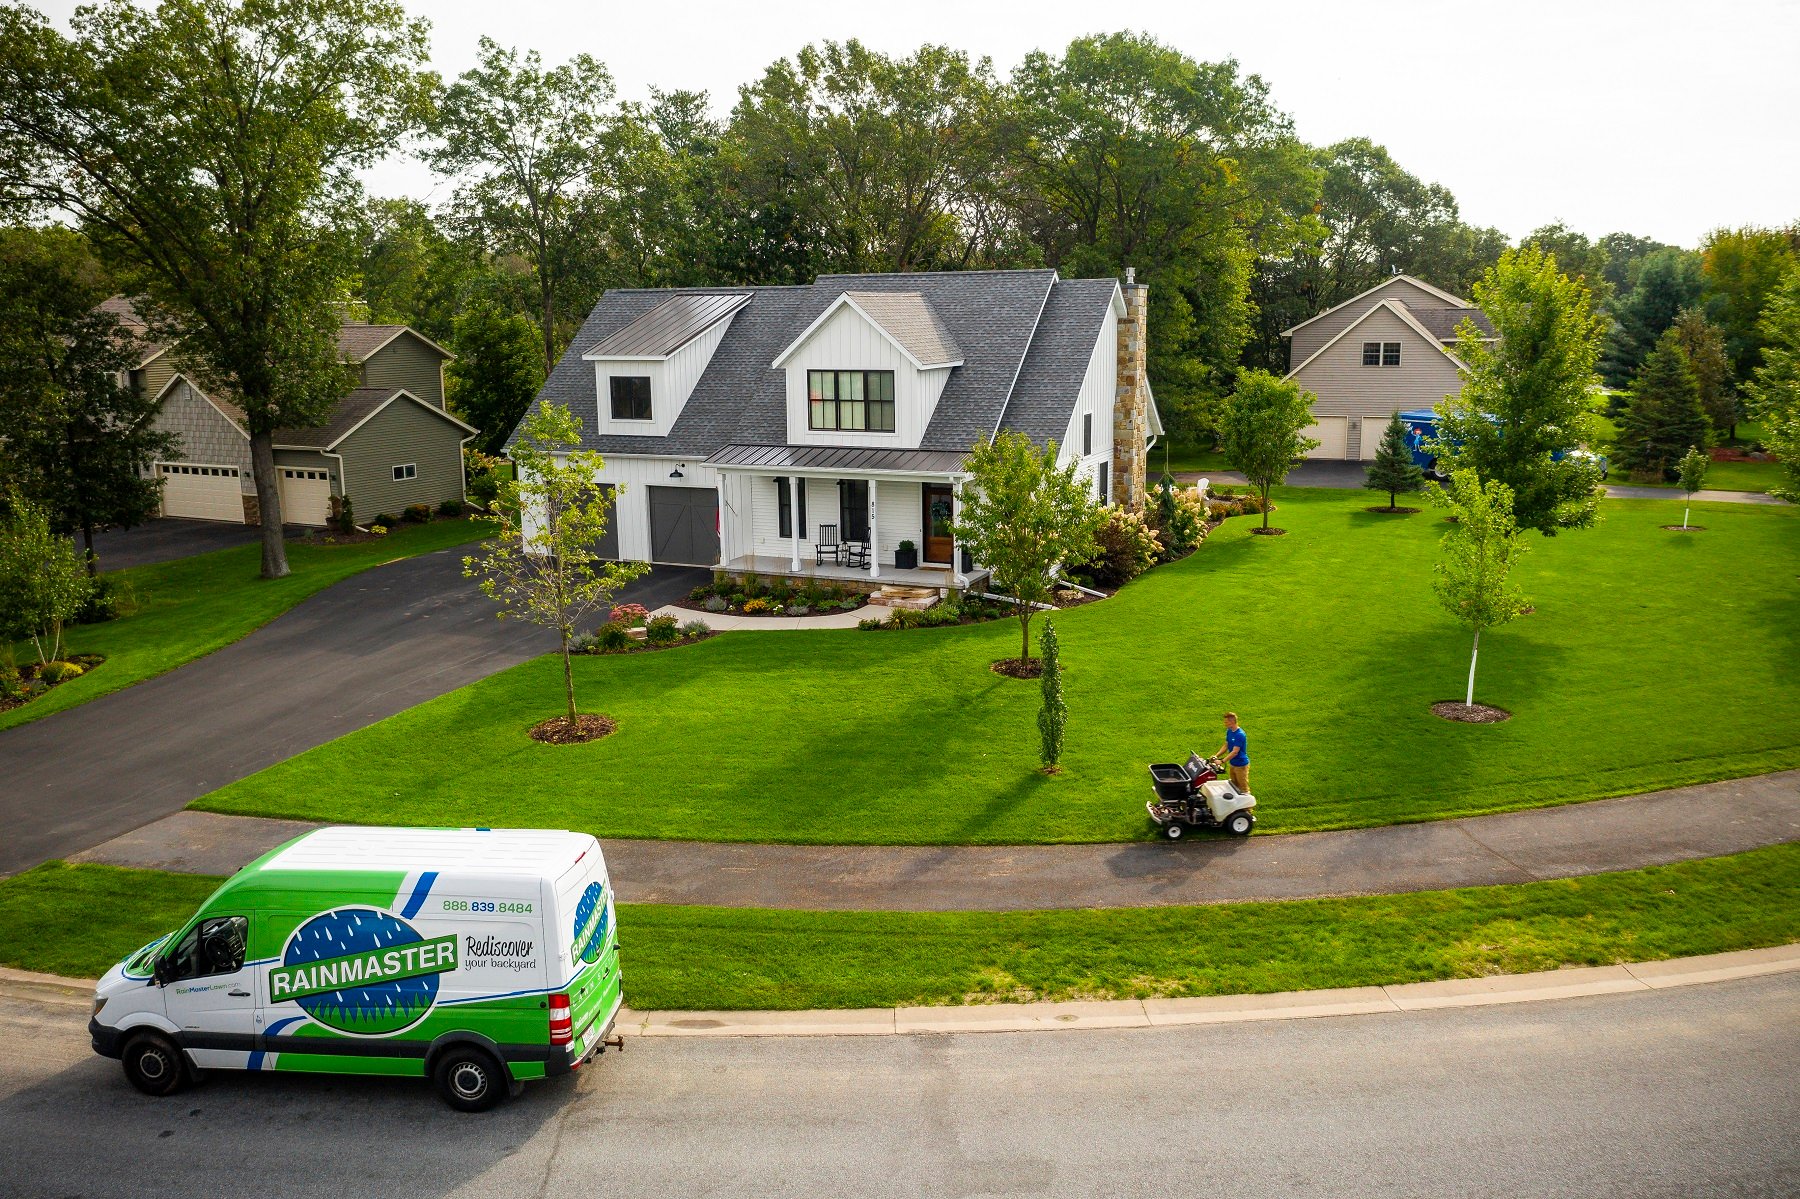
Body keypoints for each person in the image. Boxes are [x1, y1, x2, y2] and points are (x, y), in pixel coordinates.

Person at [1213, 711, 1250, 794]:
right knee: (1233, 786)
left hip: (1241, 765)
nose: (1224, 724)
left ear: (1232, 722)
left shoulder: (1240, 734)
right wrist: (1216, 756)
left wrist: (1222, 761)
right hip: (1233, 764)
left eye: (1226, 722)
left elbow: (1235, 752)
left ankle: (1248, 807)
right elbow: (1226, 745)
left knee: (1243, 788)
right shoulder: (1229, 731)